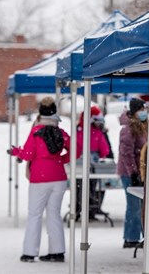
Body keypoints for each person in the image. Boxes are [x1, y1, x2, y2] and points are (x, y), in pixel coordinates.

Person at [9, 97, 71, 263]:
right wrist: (61, 160)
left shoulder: (36, 132)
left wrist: (16, 152)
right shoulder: (61, 132)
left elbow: (28, 154)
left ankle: (30, 252)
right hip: (59, 178)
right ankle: (57, 252)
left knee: (35, 215)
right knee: (54, 214)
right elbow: (76, 149)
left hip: (40, 179)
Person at [117, 98, 148, 248]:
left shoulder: (142, 126)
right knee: (134, 206)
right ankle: (131, 237)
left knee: (141, 206)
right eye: (141, 109)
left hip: (140, 172)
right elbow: (126, 153)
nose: (144, 112)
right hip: (130, 173)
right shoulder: (128, 129)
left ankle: (142, 235)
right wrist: (133, 173)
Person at [75, 106, 111, 221]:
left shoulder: (78, 131)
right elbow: (105, 150)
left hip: (78, 165)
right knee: (93, 187)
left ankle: (79, 209)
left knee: (80, 188)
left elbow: (74, 147)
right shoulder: (98, 133)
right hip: (94, 166)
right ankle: (92, 209)